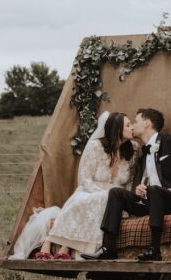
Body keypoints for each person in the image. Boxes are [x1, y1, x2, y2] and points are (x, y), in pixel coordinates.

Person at [82, 107, 171, 263]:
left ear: (147, 123)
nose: (133, 125)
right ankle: (108, 248)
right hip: (152, 202)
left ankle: (154, 249)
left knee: (155, 190)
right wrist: (140, 188)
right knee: (116, 193)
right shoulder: (140, 152)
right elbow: (149, 178)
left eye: (136, 121)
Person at [36, 111, 137, 260]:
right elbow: (85, 178)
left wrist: (127, 202)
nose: (132, 128)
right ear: (117, 129)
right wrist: (101, 194)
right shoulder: (95, 146)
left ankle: (66, 247)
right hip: (90, 190)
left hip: (115, 196)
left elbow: (129, 182)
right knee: (84, 203)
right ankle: (50, 242)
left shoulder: (133, 149)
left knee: (104, 203)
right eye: (128, 125)